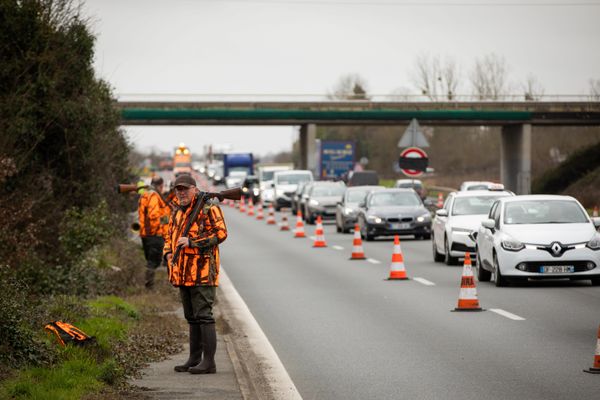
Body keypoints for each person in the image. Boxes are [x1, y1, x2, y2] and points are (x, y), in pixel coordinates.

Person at [163, 174, 228, 374]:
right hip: (182, 272)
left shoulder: (209, 208)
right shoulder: (176, 212)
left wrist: (192, 242)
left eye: (185, 189)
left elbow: (221, 233)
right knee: (191, 317)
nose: (181, 193)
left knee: (204, 316)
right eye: (178, 189)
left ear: (194, 189)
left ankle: (209, 363)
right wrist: (167, 254)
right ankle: (194, 359)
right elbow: (169, 236)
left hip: (202, 271)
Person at [138, 176, 170, 289]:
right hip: (154, 234)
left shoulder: (145, 194)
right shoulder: (154, 196)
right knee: (154, 261)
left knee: (151, 260)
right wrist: (160, 228)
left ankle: (149, 285)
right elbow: (154, 215)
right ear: (160, 186)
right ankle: (149, 286)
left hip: (146, 233)